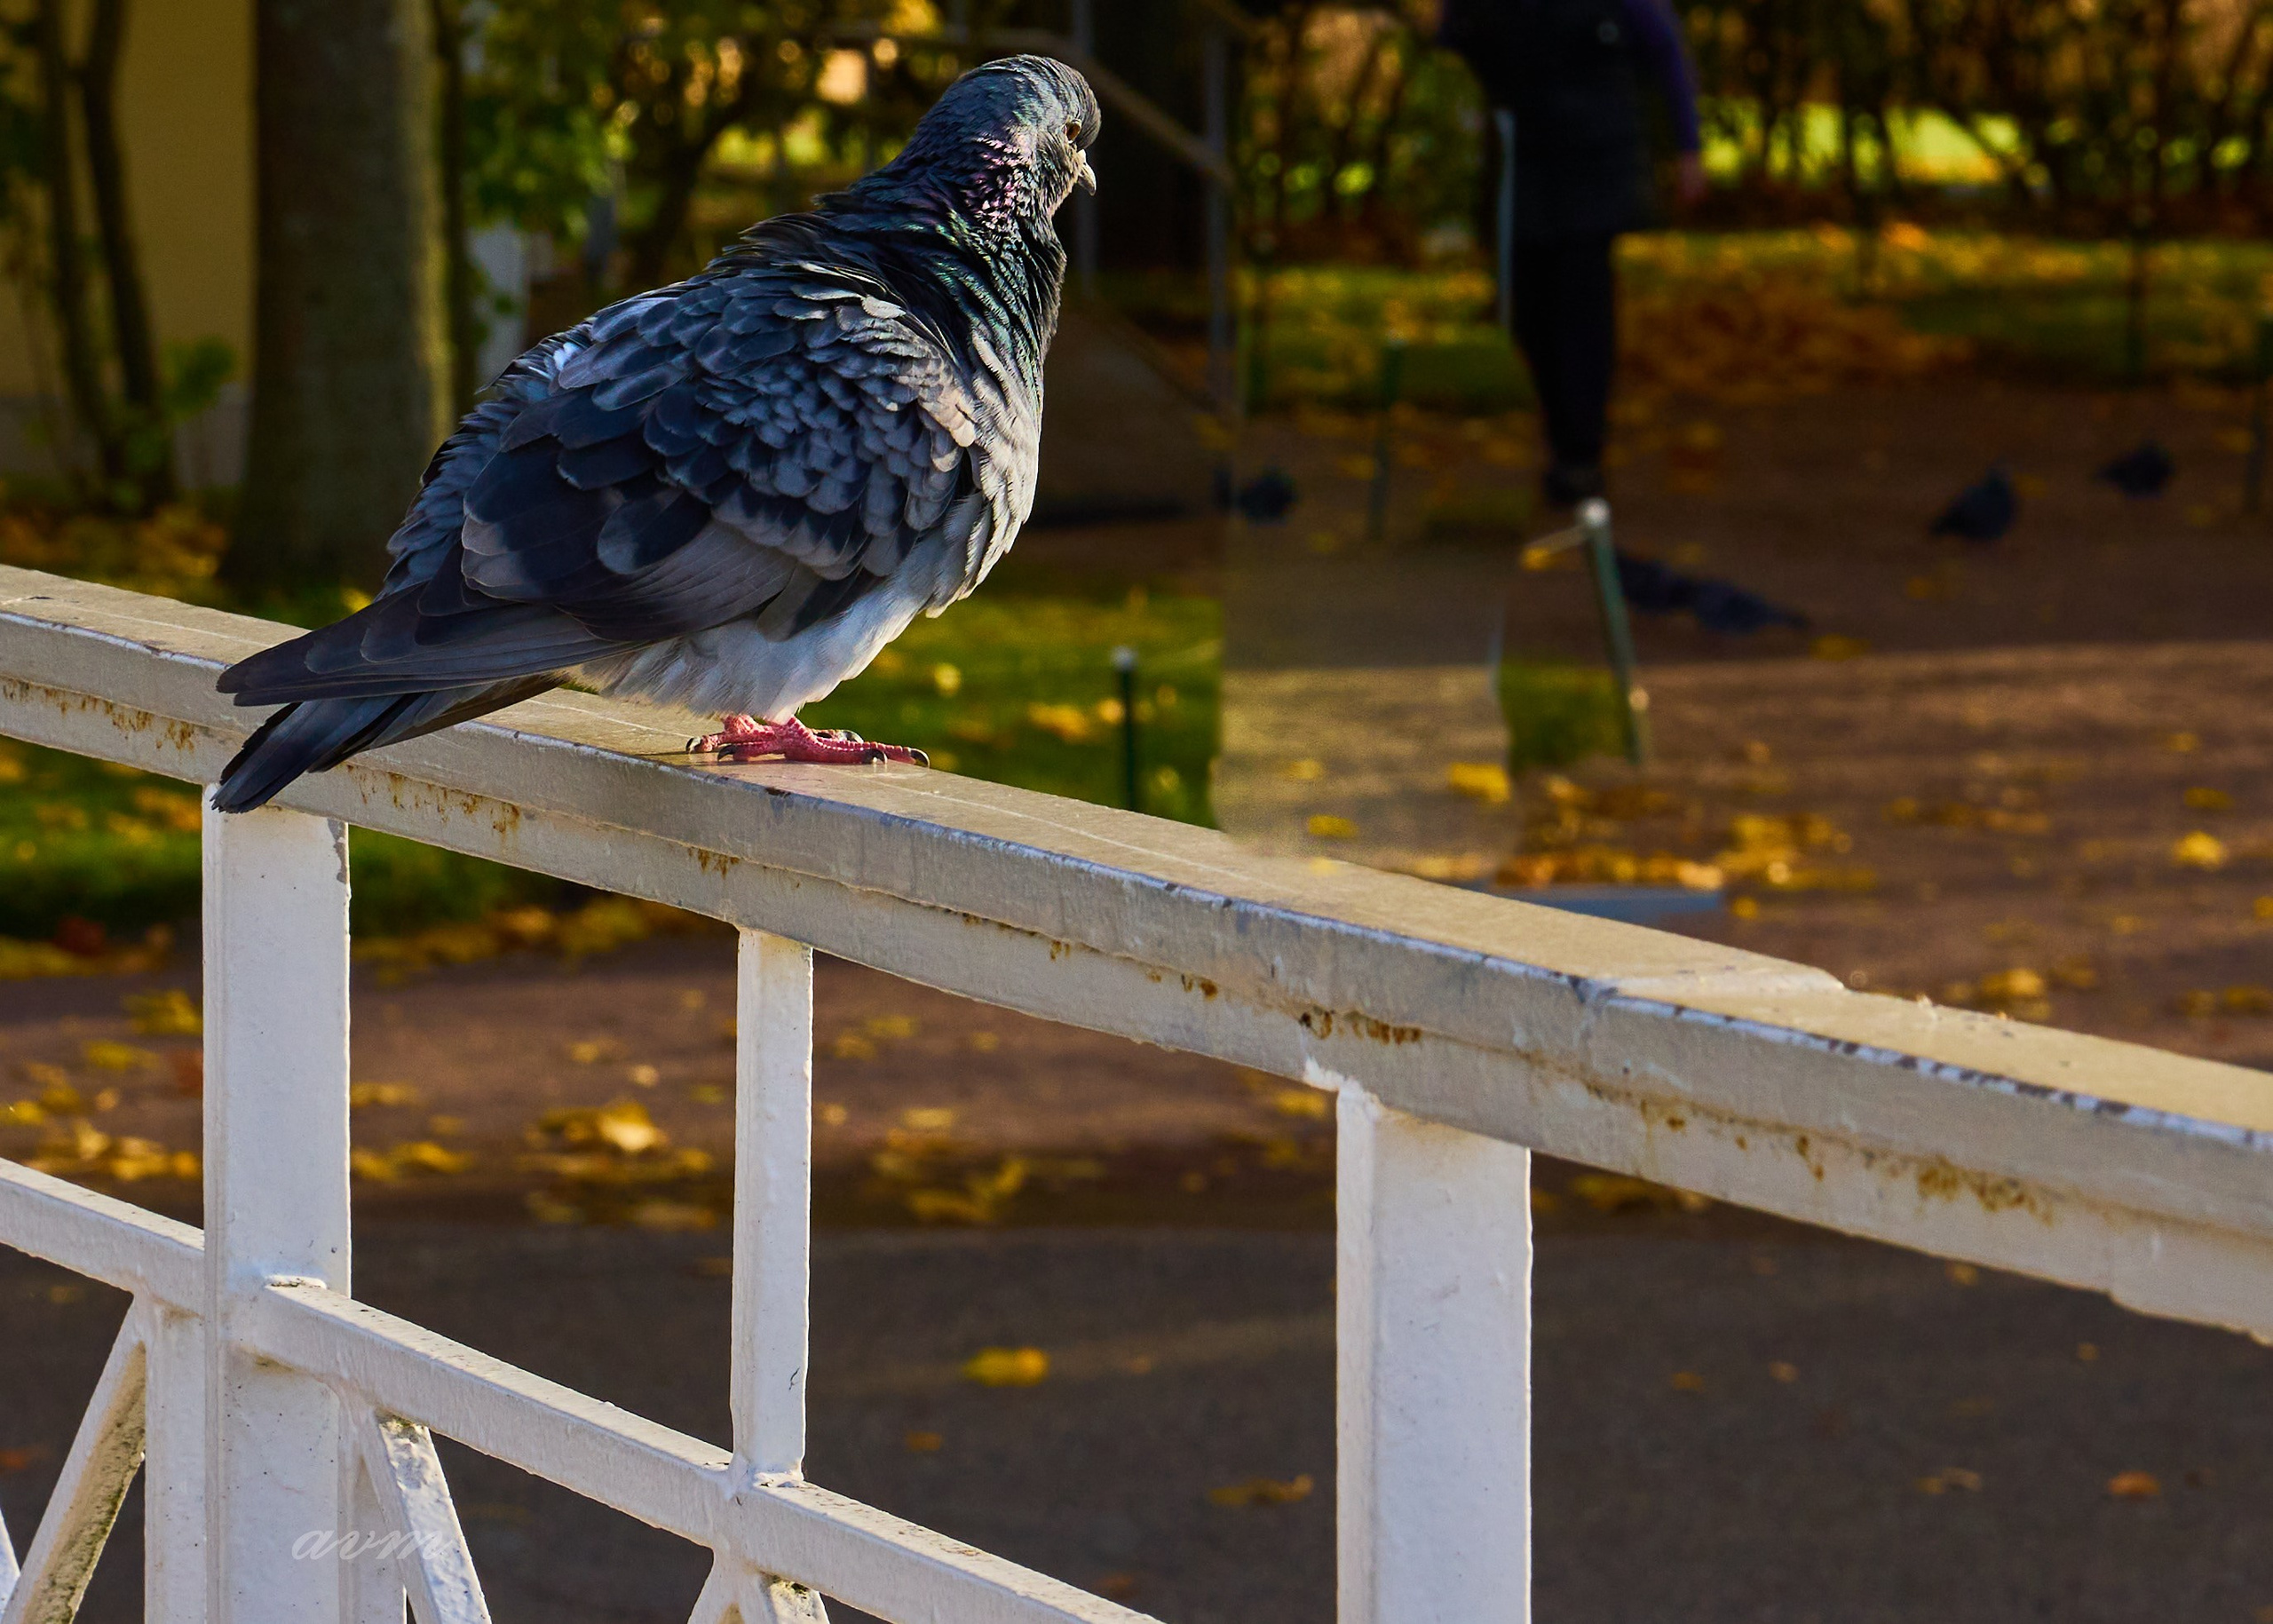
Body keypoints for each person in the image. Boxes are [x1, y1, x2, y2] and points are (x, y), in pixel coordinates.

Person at [1441, 0, 1706, 507]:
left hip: (1597, 161)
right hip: (1529, 157)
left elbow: (1663, 48)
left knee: (1582, 307)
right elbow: (1457, 35)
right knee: (1529, 310)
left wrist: (1686, 146)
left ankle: (1581, 455)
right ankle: (1563, 435)